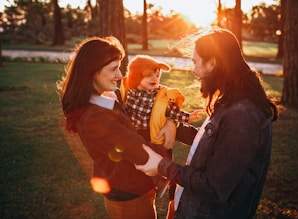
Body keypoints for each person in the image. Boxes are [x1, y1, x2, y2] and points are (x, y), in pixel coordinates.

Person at [135, 28, 278, 219]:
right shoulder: (232, 101)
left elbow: (214, 186)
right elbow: (216, 146)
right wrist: (175, 128)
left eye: (195, 62)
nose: (192, 69)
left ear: (213, 63)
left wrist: (162, 166)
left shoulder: (242, 116)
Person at [57, 36, 177, 219]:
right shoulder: (94, 118)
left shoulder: (107, 98)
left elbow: (139, 123)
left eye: (119, 67)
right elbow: (142, 153)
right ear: (92, 72)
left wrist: (170, 121)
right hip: (129, 197)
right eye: (113, 69)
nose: (120, 75)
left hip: (133, 188)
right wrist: (167, 144)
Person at [120, 55, 202, 198]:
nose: (155, 79)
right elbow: (123, 111)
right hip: (138, 133)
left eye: (157, 75)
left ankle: (200, 139)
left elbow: (173, 111)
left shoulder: (161, 95)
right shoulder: (128, 93)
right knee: (138, 158)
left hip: (155, 130)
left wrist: (188, 116)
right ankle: (158, 181)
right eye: (149, 76)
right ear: (136, 77)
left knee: (162, 155)